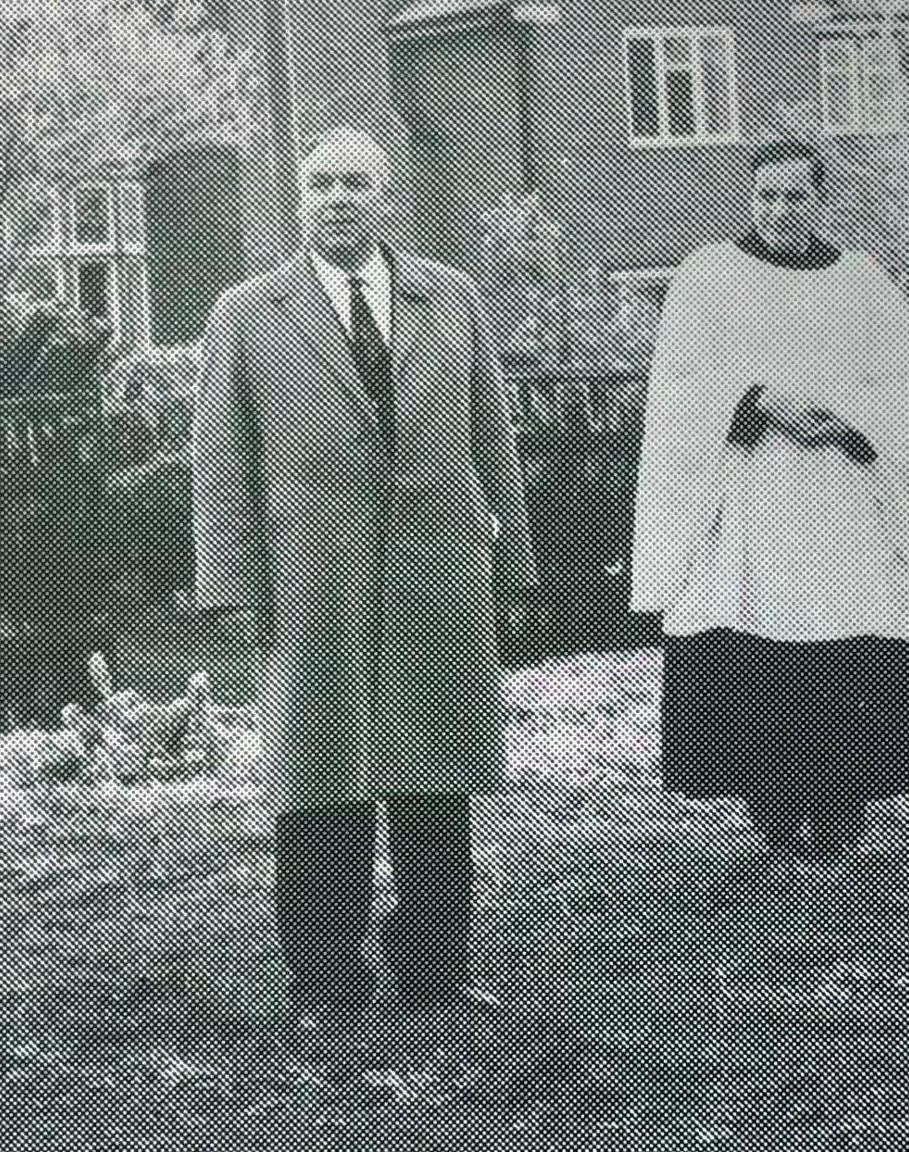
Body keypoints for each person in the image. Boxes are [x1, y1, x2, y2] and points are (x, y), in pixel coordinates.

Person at [192, 128, 537, 1035]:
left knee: (438, 774)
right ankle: (326, 982)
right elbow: (222, 462)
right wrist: (234, 588)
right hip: (312, 581)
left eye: (358, 185)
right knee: (322, 786)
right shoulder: (247, 311)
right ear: (299, 201)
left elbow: (494, 436)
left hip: (438, 574)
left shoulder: (451, 297)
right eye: (321, 186)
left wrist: (513, 561)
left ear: (389, 199)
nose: (339, 199)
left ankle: (435, 966)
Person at [631, 139, 909, 862]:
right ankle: (773, 813)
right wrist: (758, 399)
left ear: (820, 200)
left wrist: (850, 418)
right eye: (766, 197)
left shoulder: (861, 283)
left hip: (837, 503)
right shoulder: (708, 276)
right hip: (747, 498)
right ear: (750, 198)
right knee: (755, 661)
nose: (779, 210)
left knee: (844, 658)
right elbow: (679, 387)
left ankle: (841, 813)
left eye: (795, 196)